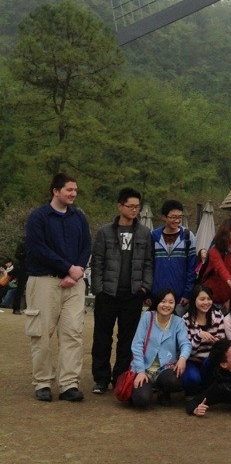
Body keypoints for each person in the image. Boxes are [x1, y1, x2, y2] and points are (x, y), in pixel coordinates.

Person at [24, 172, 91, 402]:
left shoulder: (79, 217)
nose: (73, 194)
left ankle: (69, 384)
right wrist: (67, 268)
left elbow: (86, 245)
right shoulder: (38, 217)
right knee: (41, 334)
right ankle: (43, 382)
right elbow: (38, 249)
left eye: (75, 190)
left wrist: (77, 270)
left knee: (73, 333)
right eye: (69, 190)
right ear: (56, 191)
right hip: (44, 281)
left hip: (74, 284)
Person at [90, 187, 154, 394]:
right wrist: (98, 289)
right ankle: (100, 378)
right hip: (107, 293)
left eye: (137, 207)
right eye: (130, 206)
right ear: (120, 206)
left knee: (128, 339)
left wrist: (144, 287)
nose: (134, 210)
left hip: (133, 293)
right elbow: (97, 262)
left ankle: (120, 377)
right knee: (102, 338)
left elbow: (148, 263)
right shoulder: (105, 232)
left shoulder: (144, 233)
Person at [130, 289, 191, 407]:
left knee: (174, 380)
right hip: (145, 368)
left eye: (171, 302)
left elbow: (185, 343)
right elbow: (137, 345)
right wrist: (140, 371)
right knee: (142, 399)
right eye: (163, 301)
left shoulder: (178, 322)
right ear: (157, 302)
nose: (167, 305)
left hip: (165, 369)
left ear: (175, 304)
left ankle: (163, 392)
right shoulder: (147, 317)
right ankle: (143, 389)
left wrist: (182, 358)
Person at [150, 200, 196, 311]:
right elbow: (148, 266)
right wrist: (148, 293)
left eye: (180, 217)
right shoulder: (153, 237)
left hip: (180, 296)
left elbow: (191, 267)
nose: (177, 220)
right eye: (173, 217)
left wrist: (187, 293)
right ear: (164, 217)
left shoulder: (188, 236)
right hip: (157, 295)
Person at [181, 284, 227, 394]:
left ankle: (205, 391)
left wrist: (216, 342)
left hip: (210, 361)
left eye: (209, 299)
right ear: (194, 300)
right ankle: (193, 392)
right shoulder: (185, 319)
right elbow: (188, 351)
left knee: (210, 362)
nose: (206, 302)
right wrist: (198, 336)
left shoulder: (218, 316)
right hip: (192, 360)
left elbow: (221, 345)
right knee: (192, 379)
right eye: (202, 299)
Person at [200, 217, 231, 309]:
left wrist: (230, 298)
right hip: (209, 299)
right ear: (226, 233)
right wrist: (229, 280)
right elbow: (220, 267)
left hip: (226, 302)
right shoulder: (214, 250)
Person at [11, 238, 28, 315]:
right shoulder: (22, 244)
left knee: (32, 289)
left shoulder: (36, 244)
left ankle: (29, 308)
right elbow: (17, 255)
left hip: (33, 270)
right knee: (20, 289)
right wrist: (26, 253)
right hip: (23, 270)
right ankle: (16, 308)